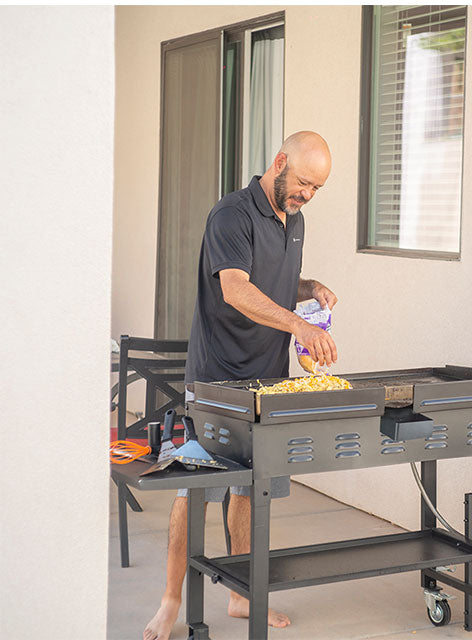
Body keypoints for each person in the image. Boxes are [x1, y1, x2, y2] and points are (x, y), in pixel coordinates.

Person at [144, 131, 339, 640]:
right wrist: (299, 325)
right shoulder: (231, 214)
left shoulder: (294, 222)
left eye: (317, 189)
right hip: (215, 380)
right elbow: (236, 288)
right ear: (279, 163)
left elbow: (272, 282)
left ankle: (239, 595)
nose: (307, 196)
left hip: (267, 381)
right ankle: (170, 602)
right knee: (196, 490)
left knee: (250, 493)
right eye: (302, 183)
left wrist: (309, 288)